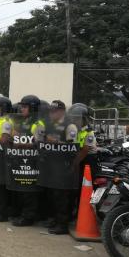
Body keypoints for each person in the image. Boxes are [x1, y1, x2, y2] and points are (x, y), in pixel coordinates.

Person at [43, 100, 79, 235]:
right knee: (52, 194)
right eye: (50, 111)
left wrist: (56, 142)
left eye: (55, 111)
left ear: (62, 111)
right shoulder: (50, 125)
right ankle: (55, 220)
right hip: (52, 164)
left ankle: (62, 224)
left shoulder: (70, 126)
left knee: (61, 195)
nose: (52, 114)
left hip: (64, 165)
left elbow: (72, 148)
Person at [10, 94, 45, 227]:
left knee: (29, 190)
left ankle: (28, 217)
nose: (21, 109)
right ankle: (23, 213)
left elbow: (39, 144)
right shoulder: (24, 122)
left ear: (33, 108)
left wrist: (19, 139)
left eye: (25, 107)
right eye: (21, 106)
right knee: (22, 189)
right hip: (23, 159)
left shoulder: (38, 124)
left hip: (33, 161)